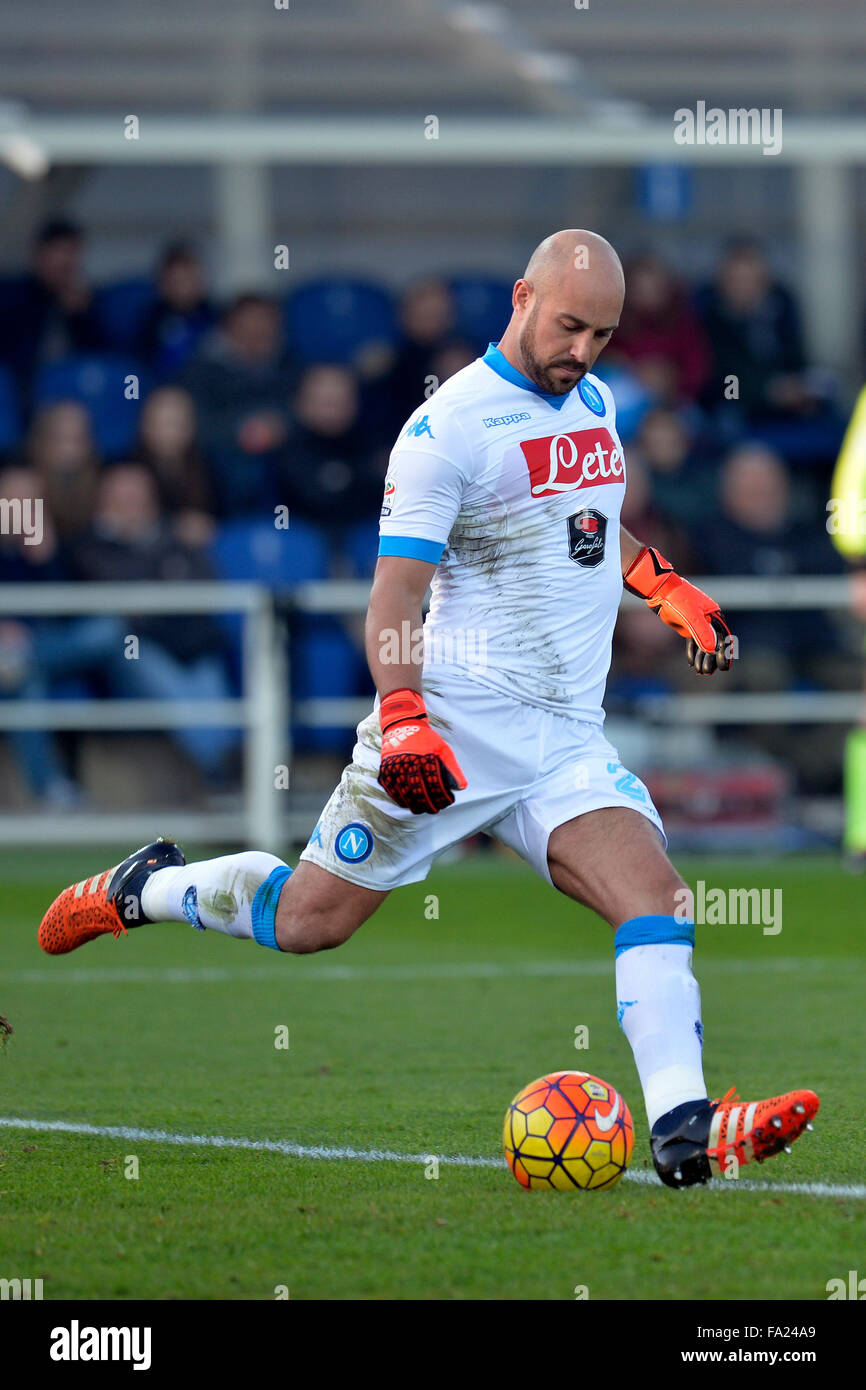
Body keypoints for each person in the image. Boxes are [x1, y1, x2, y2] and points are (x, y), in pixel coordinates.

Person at [38, 229, 818, 1188]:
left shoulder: (597, 400)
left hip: (563, 741)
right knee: (308, 921)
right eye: (569, 325)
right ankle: (145, 888)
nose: (583, 350)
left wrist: (663, 586)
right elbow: (393, 602)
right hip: (445, 729)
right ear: (522, 296)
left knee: (654, 899)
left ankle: (685, 1131)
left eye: (603, 334)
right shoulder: (445, 430)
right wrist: (403, 715)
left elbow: (589, 523)